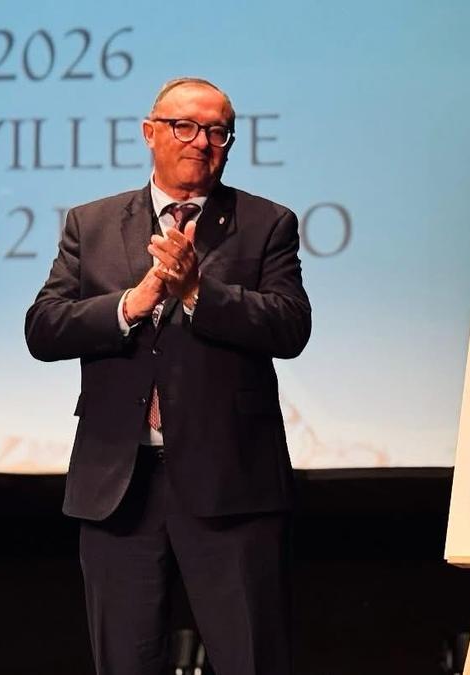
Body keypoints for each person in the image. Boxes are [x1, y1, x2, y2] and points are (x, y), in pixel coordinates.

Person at [25, 77, 310, 675]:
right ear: (150, 132)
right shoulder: (92, 223)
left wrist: (198, 292)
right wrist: (132, 302)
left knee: (252, 659)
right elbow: (44, 329)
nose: (201, 142)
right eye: (185, 126)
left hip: (232, 485)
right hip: (118, 488)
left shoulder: (266, 223)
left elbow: (289, 328)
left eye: (217, 131)